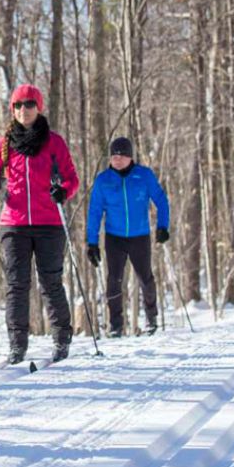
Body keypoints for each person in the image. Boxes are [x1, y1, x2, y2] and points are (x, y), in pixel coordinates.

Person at [0, 84, 80, 364]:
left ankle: (61, 339)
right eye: (18, 105)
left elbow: (72, 179)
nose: (23, 110)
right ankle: (17, 345)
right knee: (17, 284)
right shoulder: (5, 143)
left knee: (50, 283)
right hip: (13, 224)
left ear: (39, 107)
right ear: (12, 110)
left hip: (48, 222)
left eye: (29, 104)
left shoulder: (54, 142)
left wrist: (63, 191)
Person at [85, 136, 169, 337]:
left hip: (139, 235)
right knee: (114, 280)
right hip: (115, 237)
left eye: (122, 156)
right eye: (114, 156)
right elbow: (94, 212)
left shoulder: (144, 176)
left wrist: (163, 226)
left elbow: (161, 200)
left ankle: (151, 318)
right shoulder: (103, 180)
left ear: (130, 157)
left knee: (145, 278)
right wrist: (92, 242)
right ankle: (115, 325)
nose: (117, 159)